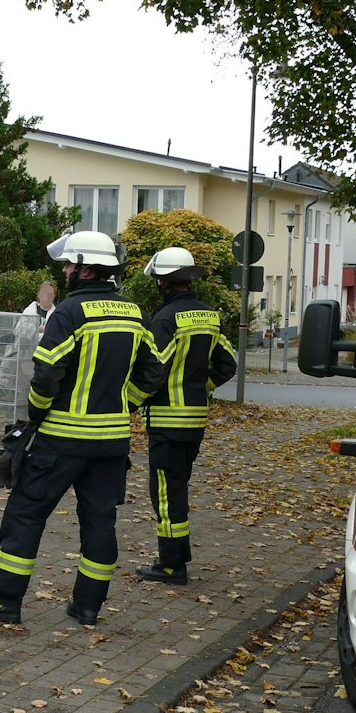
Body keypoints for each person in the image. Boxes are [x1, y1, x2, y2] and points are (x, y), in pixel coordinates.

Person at [0, 231, 166, 628]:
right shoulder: (134, 313)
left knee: (25, 514)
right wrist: (126, 404)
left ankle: (4, 600)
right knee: (100, 523)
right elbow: (154, 371)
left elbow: (46, 374)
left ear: (86, 268)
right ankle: (87, 607)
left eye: (70, 265)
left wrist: (34, 416)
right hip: (111, 443)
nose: (66, 271)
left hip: (60, 439)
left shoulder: (70, 313)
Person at [136, 247, 237, 585]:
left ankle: (171, 565)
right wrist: (200, 387)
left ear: (162, 281)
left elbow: (154, 371)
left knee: (165, 493)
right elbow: (227, 363)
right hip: (196, 420)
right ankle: (176, 557)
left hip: (167, 421)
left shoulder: (165, 319)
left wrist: (129, 403)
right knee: (178, 489)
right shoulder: (209, 315)